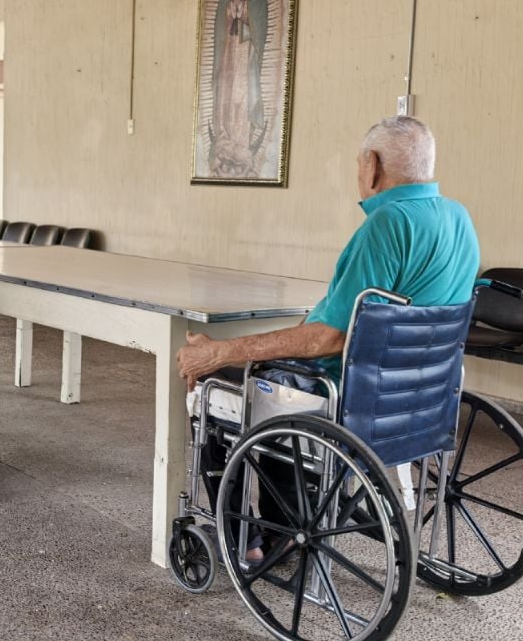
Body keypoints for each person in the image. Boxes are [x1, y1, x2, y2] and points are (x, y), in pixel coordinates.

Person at [178, 116, 481, 558]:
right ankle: (286, 521)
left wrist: (221, 351)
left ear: (371, 165)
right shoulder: (459, 218)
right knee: (276, 377)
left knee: (216, 387)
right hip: (421, 396)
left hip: (351, 395)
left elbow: (329, 339)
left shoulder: (386, 225)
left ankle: (251, 541)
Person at [208, 0, 270, 178]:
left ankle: (240, 140)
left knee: (241, 94)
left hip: (245, 46)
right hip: (230, 45)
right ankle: (225, 139)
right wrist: (229, 12)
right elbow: (220, 19)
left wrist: (244, 11)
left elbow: (260, 14)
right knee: (226, 90)